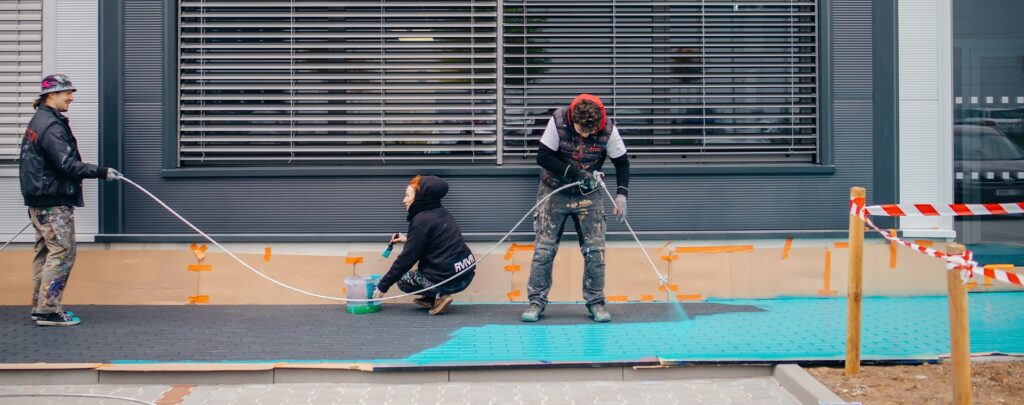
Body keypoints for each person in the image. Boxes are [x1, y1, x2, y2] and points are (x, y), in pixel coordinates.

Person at [20, 74, 121, 326]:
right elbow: (66, 164)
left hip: (40, 198)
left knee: (46, 252)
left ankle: (40, 306)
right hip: (52, 200)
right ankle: (49, 311)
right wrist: (101, 172)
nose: (71, 97)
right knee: (63, 252)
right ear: (51, 95)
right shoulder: (51, 125)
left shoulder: (40, 120)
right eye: (67, 92)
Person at [521, 94, 630, 323]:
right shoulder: (559, 120)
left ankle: (596, 302)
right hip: (554, 191)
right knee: (544, 249)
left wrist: (621, 195)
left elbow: (622, 162)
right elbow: (543, 156)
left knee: (595, 250)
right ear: (573, 120)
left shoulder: (608, 130)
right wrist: (575, 173)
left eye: (590, 133)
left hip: (589, 195)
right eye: (581, 131)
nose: (585, 136)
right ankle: (536, 302)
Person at [372, 175, 476, 315]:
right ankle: (432, 298)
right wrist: (407, 239)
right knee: (427, 270)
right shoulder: (441, 212)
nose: (404, 200)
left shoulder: (421, 221)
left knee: (403, 281)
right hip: (466, 272)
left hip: (450, 279)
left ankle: (441, 295)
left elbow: (406, 259)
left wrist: (383, 285)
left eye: (407, 195)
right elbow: (435, 239)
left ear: (420, 197)